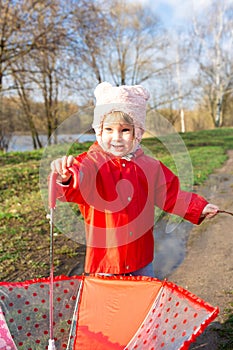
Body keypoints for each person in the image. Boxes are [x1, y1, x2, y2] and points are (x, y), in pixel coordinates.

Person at [50, 82, 219, 277]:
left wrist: (199, 207)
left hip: (141, 258)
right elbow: (78, 180)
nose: (117, 137)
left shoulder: (150, 167)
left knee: (141, 304)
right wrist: (66, 177)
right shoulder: (91, 163)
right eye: (109, 130)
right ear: (99, 131)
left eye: (124, 130)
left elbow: (172, 195)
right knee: (107, 306)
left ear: (137, 133)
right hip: (106, 262)